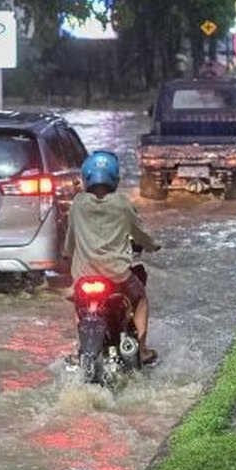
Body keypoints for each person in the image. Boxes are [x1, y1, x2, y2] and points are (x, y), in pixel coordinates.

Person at [64, 151, 161, 364]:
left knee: (78, 305)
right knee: (141, 299)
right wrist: (152, 245)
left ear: (86, 177)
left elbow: (70, 239)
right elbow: (139, 232)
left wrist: (67, 254)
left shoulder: (78, 204)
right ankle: (142, 350)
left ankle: (80, 348)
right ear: (115, 178)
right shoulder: (122, 203)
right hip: (117, 274)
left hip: (84, 275)